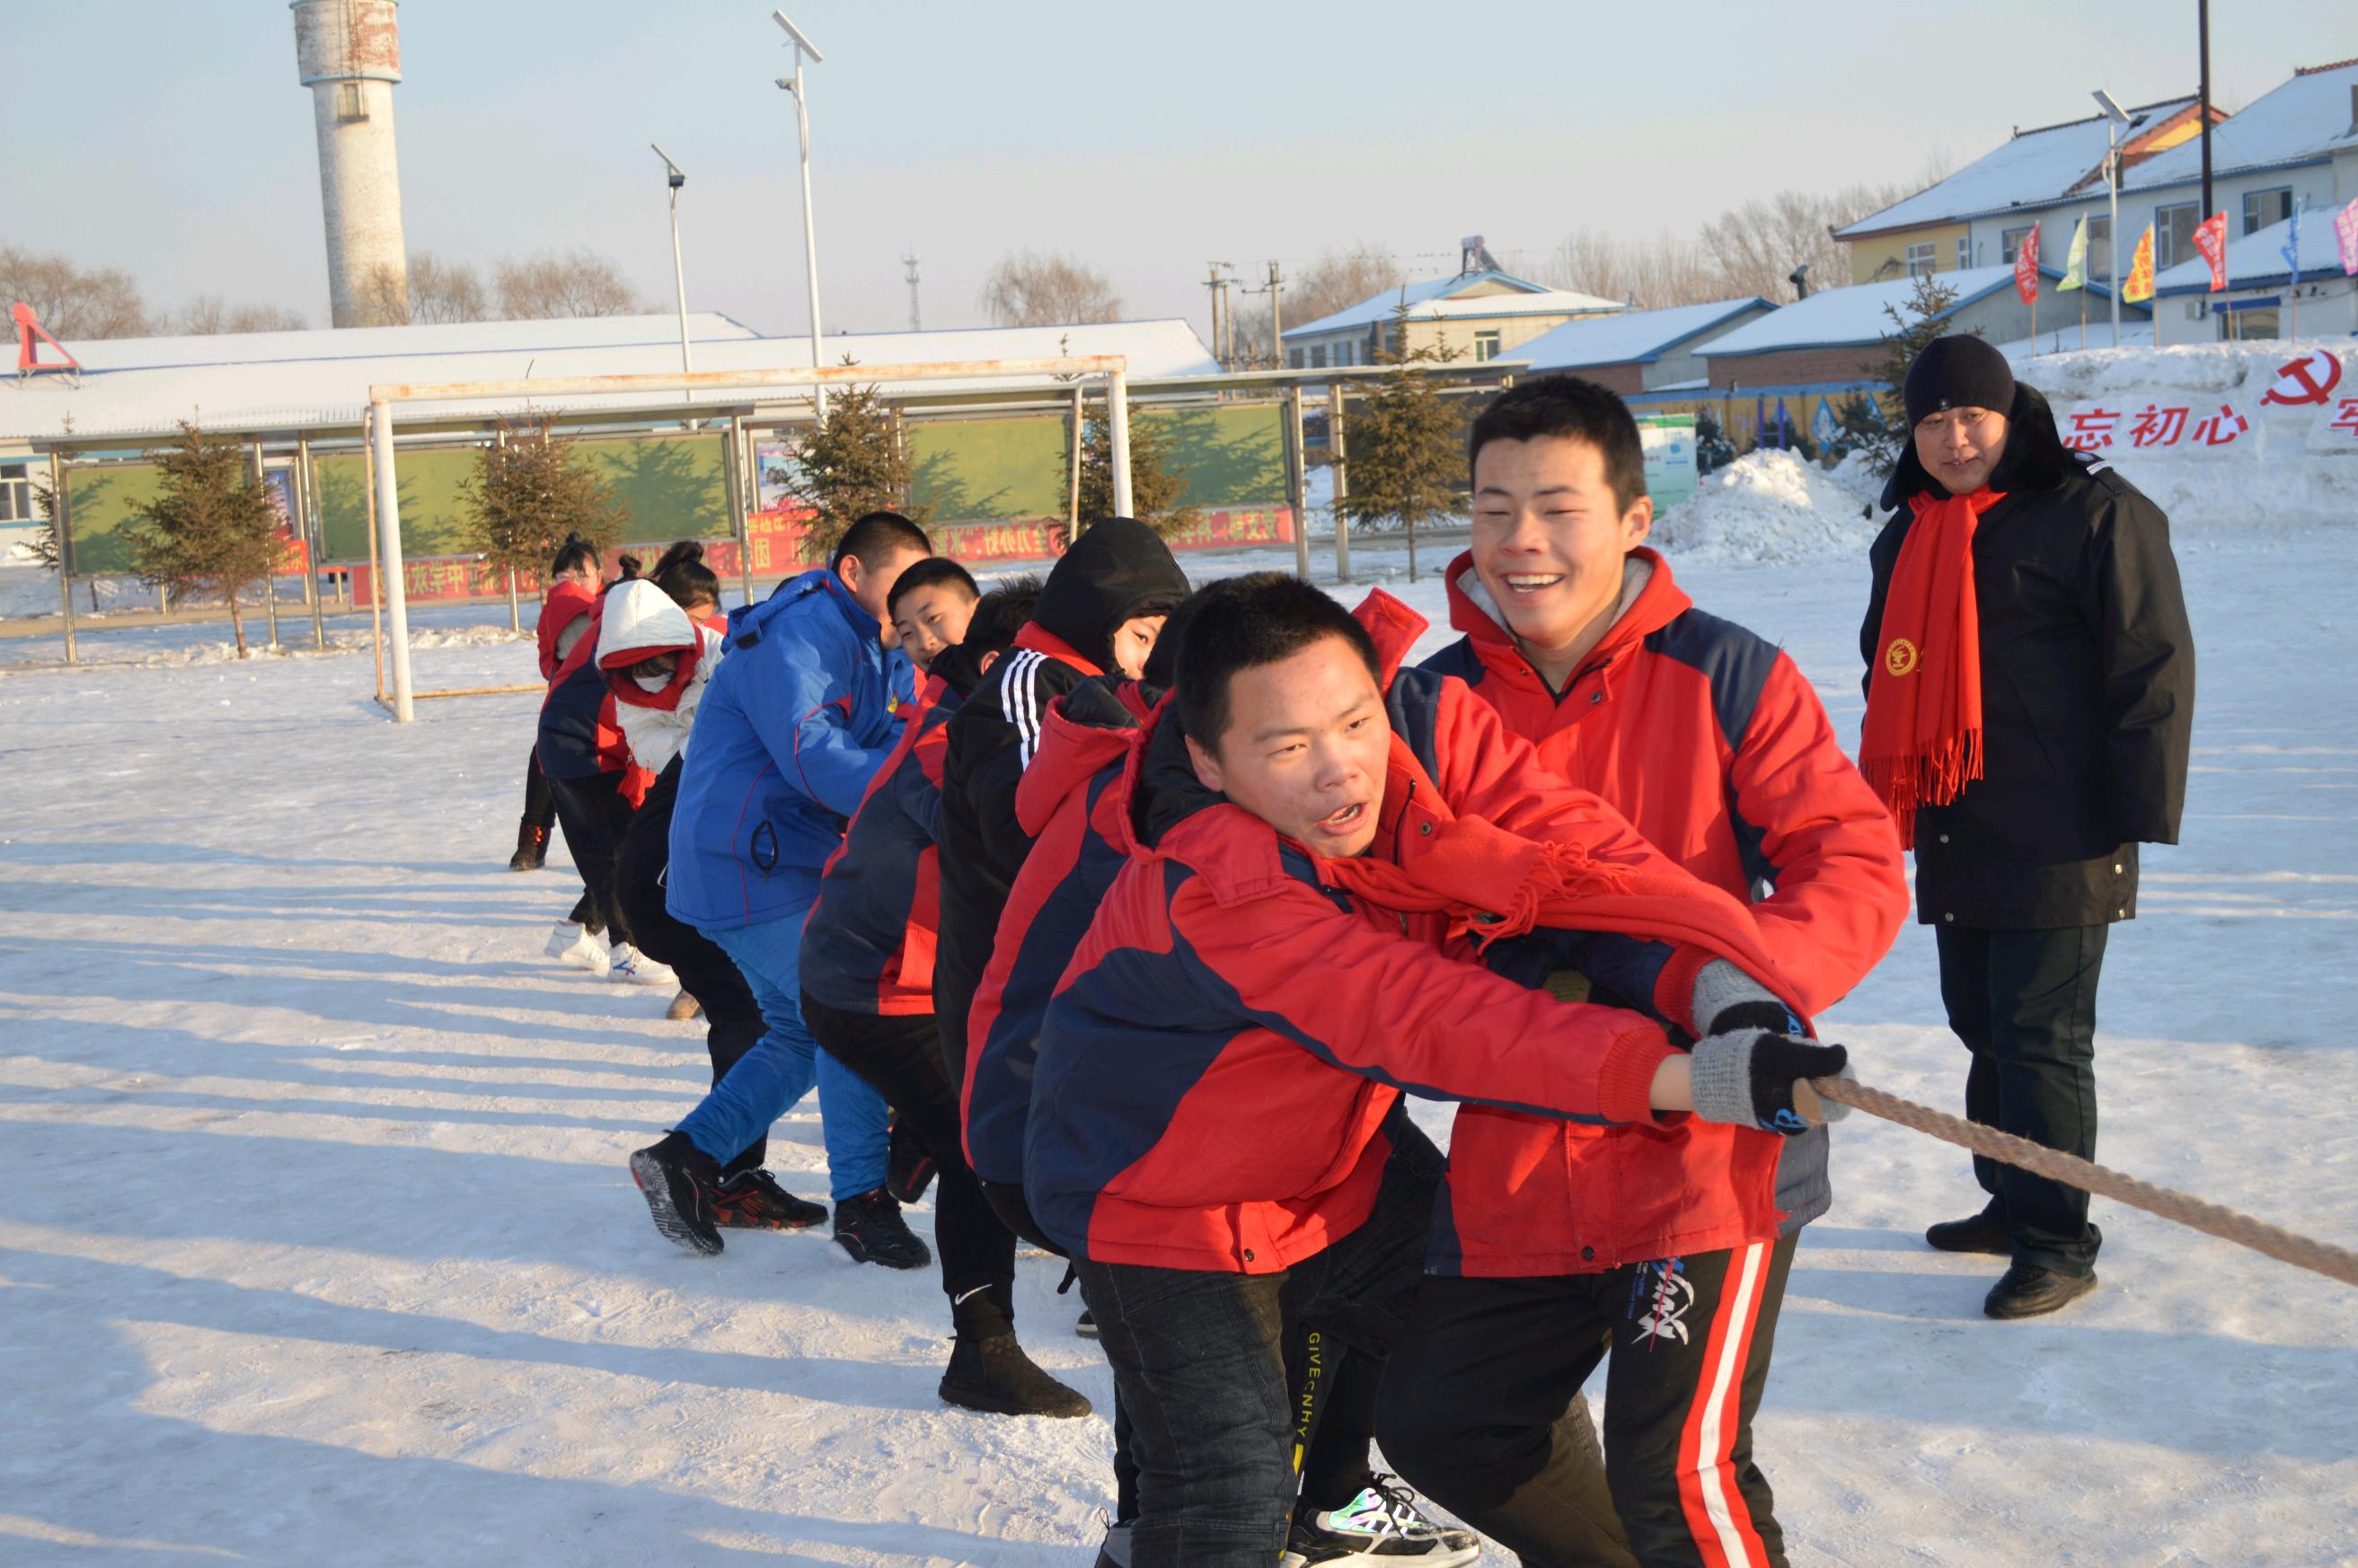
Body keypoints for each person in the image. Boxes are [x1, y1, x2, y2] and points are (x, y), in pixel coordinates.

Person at [1029, 574, 1849, 1568]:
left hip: (1338, 1170)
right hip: (1164, 1210)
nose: (1341, 772)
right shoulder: (1222, 890)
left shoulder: (1406, 792)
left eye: (1355, 724)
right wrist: (1681, 1078)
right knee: (1231, 1491)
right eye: (1288, 747)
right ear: (1208, 761)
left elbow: (1575, 877)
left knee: (1476, 1386)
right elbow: (1429, 1015)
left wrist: (1718, 988)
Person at [1385, 373, 1909, 1564]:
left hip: (1705, 1136)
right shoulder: (1423, 707)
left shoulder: (1726, 675)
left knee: (1678, 1472)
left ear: (1633, 518)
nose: (1521, 541)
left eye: (1559, 508)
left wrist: (1738, 986)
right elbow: (1383, 913)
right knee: (1443, 1418)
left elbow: (1855, 865)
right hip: (1521, 1136)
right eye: (1492, 506)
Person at [1860, 334, 2193, 1318]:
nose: (1955, 439)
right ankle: (2010, 1201)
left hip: (2066, 824)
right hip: (1959, 815)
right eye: (1932, 421)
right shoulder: (1910, 531)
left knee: (2042, 1036)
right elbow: (1885, 662)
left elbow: (2153, 664)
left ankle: (2059, 1239)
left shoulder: (2094, 512)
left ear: (2012, 413)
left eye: (1973, 416)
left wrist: (2133, 816)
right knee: (1983, 1027)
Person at [789, 566, 1089, 1418]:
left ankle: (913, 1148)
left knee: (990, 1123)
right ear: (1012, 663)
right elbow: (1004, 872)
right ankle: (982, 1353)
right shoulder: (961, 739)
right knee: (983, 1146)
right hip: (875, 986)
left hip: (906, 974)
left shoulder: (977, 716)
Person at [636, 511, 932, 1268]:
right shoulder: (801, 635)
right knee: (847, 1013)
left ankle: (688, 1158)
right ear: (853, 572)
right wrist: (935, 784)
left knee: (802, 1034)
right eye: (900, 584)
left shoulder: (879, 641)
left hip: (790, 859)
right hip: (747, 863)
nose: (912, 606)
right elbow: (817, 759)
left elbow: (900, 735)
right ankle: (863, 1202)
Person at [932, 516, 1189, 1105]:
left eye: (1163, 640)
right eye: (1141, 636)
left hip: (1077, 983)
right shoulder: (1028, 680)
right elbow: (1021, 831)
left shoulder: (1121, 689)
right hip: (1012, 988)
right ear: (1096, 623)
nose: (1152, 659)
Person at [536, 550, 675, 988]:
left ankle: (572, 934)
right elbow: (627, 703)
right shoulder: (618, 636)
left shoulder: (611, 624)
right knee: (613, 853)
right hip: (579, 749)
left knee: (622, 846)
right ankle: (626, 951)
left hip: (592, 746)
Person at [512, 531, 603, 873]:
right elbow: (546, 657)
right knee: (543, 755)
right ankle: (531, 842)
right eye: (566, 575)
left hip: (611, 706)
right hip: (569, 702)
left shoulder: (609, 605)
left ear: (600, 577)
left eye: (583, 574)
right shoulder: (561, 605)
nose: (575, 582)